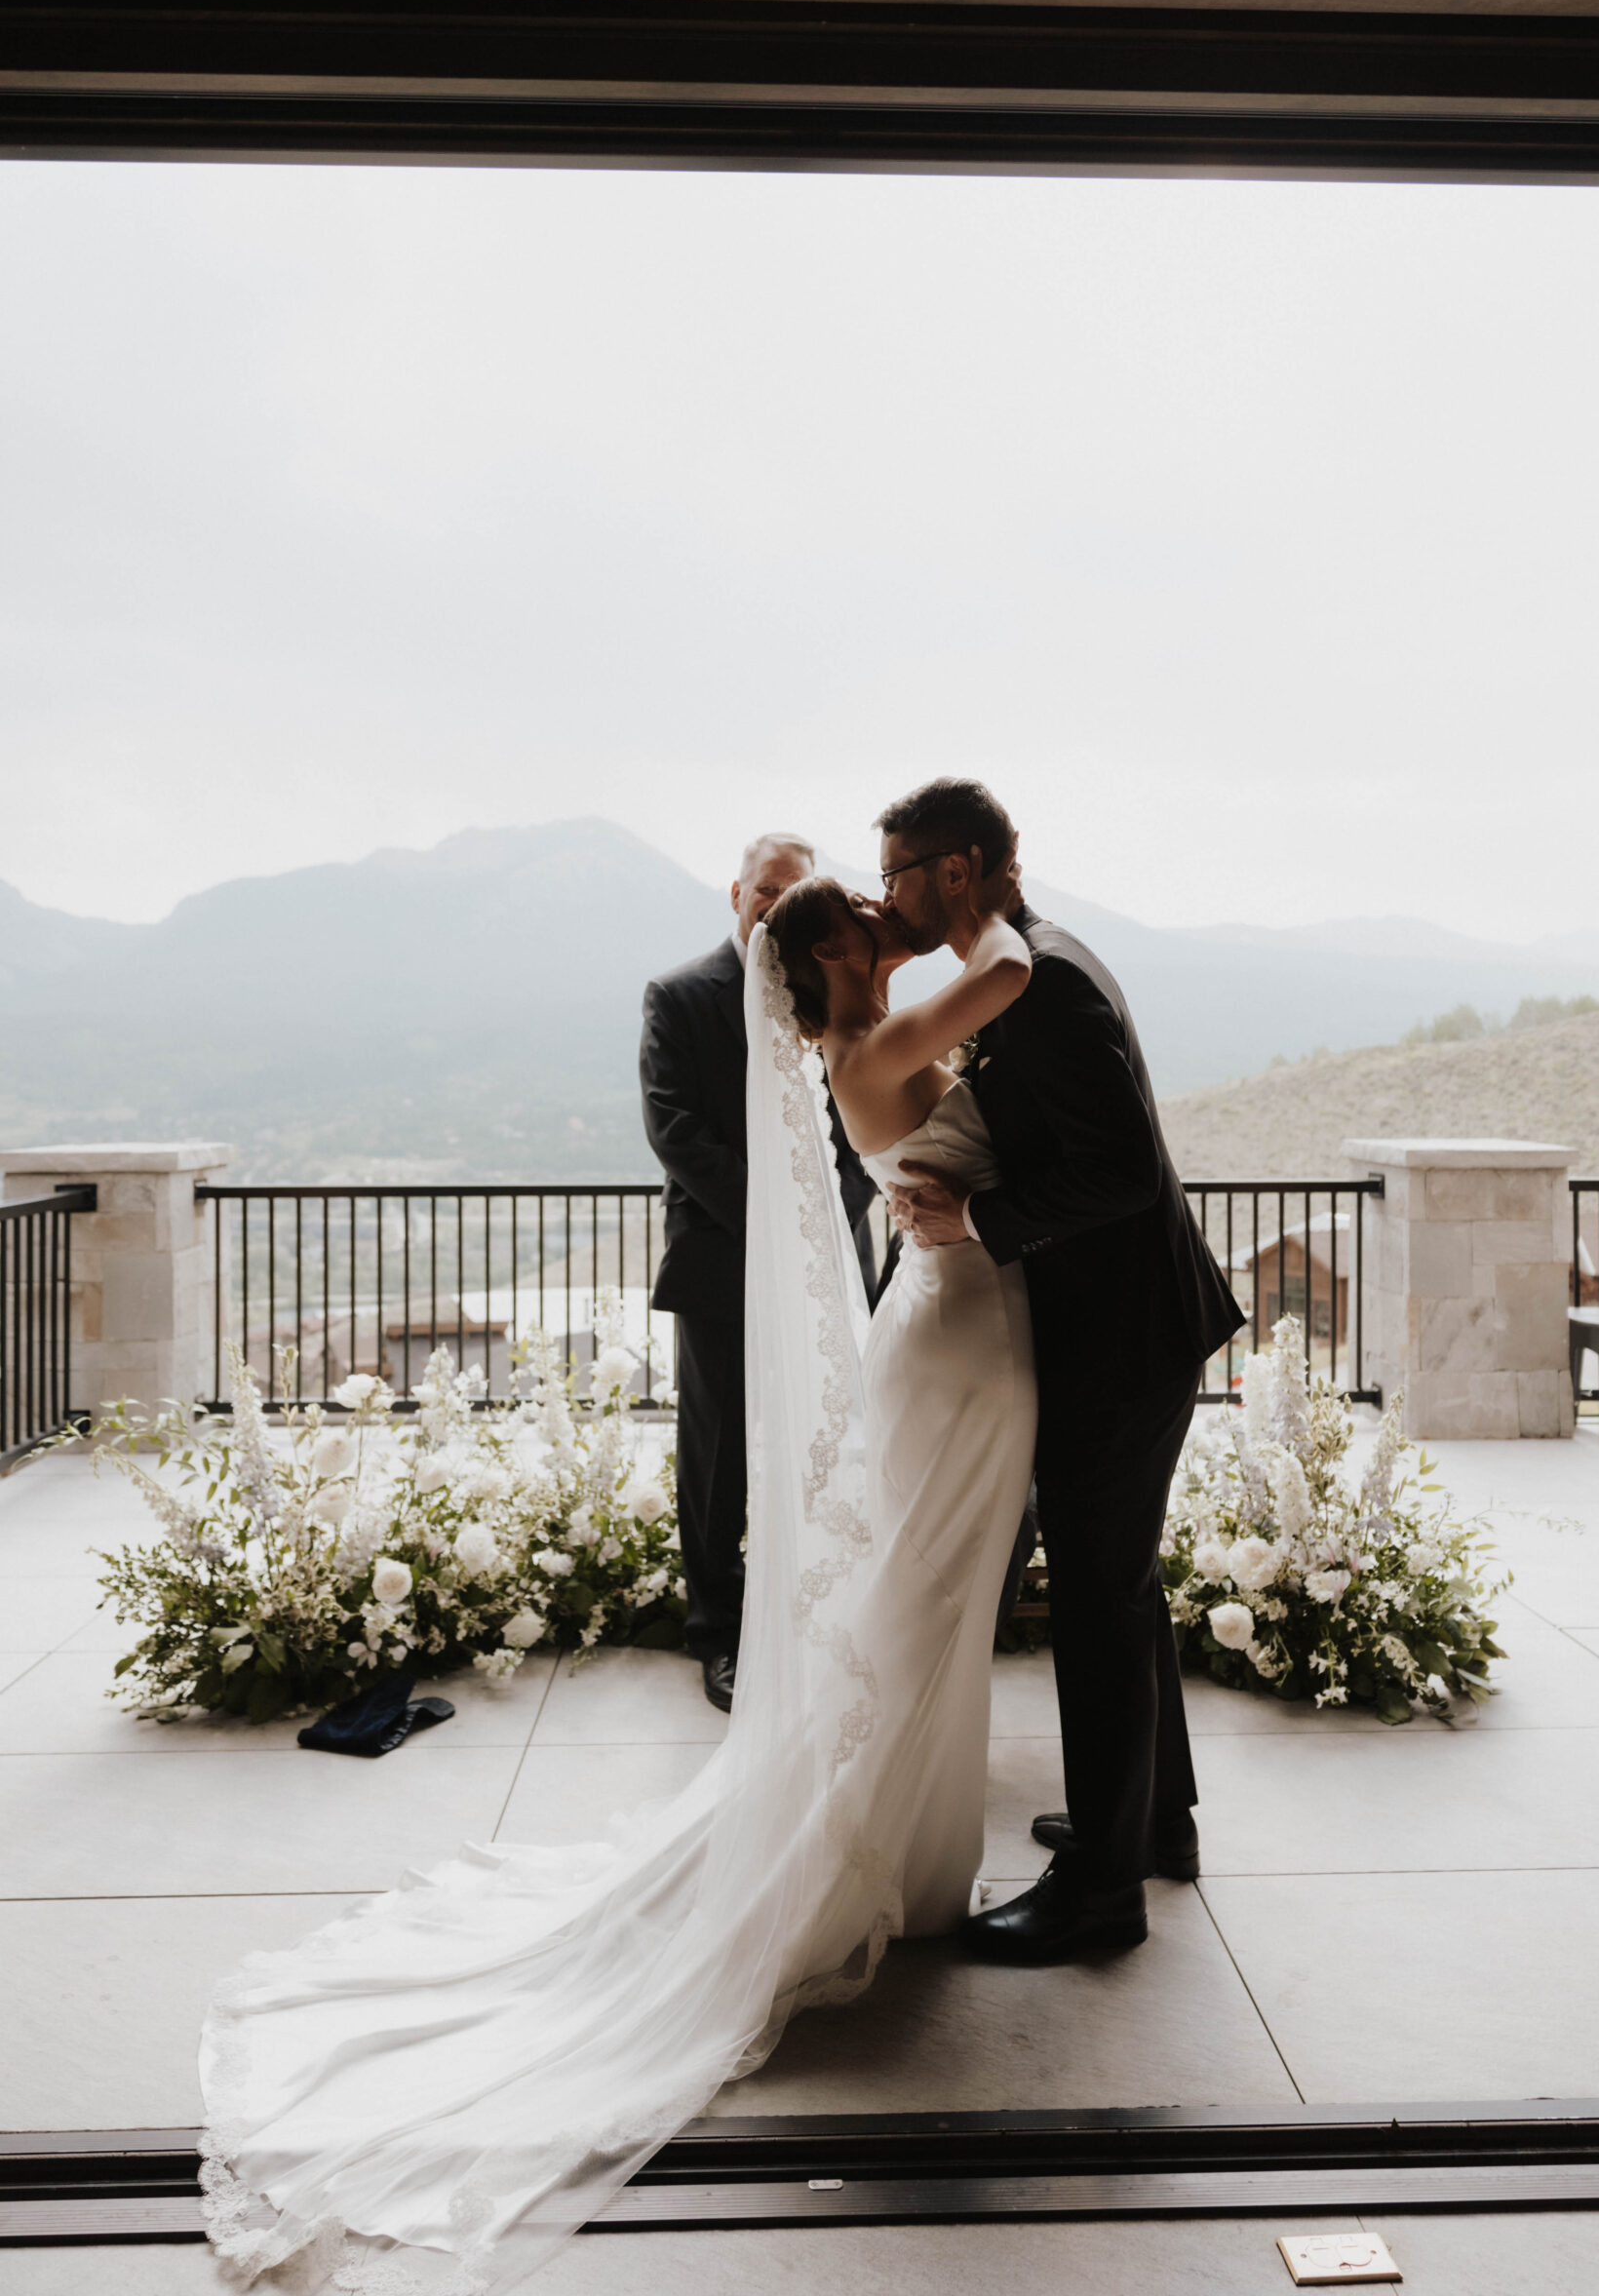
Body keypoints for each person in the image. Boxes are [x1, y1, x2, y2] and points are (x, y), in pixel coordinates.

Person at [199, 854, 1036, 2296]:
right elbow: (1010, 968)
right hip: (945, 1323)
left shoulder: (856, 1036)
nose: (883, 934)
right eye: (862, 920)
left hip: (930, 1316)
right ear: (833, 960)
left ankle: (898, 1839)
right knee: (916, 1596)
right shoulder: (875, 1040)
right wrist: (969, 904)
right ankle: (892, 1852)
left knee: (918, 1601)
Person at [879, 776, 1245, 1963]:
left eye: (899, 872)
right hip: (1123, 1327)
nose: (890, 894)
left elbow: (1127, 1173)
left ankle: (1099, 1889)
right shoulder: (1026, 966)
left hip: (1124, 1337)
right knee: (1119, 1585)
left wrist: (978, 1220)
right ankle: (1151, 1823)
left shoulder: (1049, 982)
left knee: (1097, 1596)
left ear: (959, 867)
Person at [640, 832, 880, 1711]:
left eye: (792, 894)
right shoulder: (678, 995)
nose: (774, 907)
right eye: (763, 891)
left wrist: (824, 1221)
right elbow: (675, 1132)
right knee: (717, 1457)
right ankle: (716, 1634)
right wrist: (776, 1225)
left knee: (829, 1440)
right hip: (721, 1261)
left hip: (828, 1264)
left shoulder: (830, 985)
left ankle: (816, 1614)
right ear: (734, 894)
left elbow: (862, 1118)